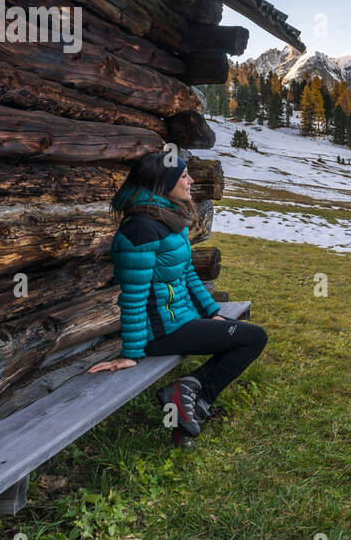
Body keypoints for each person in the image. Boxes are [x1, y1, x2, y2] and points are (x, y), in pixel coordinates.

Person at [88, 151, 267, 446]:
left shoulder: (169, 219)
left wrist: (212, 312)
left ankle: (188, 400)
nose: (191, 180)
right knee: (252, 337)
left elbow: (187, 274)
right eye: (183, 175)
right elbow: (133, 296)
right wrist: (132, 353)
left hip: (180, 320)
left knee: (242, 336)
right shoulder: (140, 229)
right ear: (164, 181)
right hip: (159, 332)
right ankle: (196, 398)